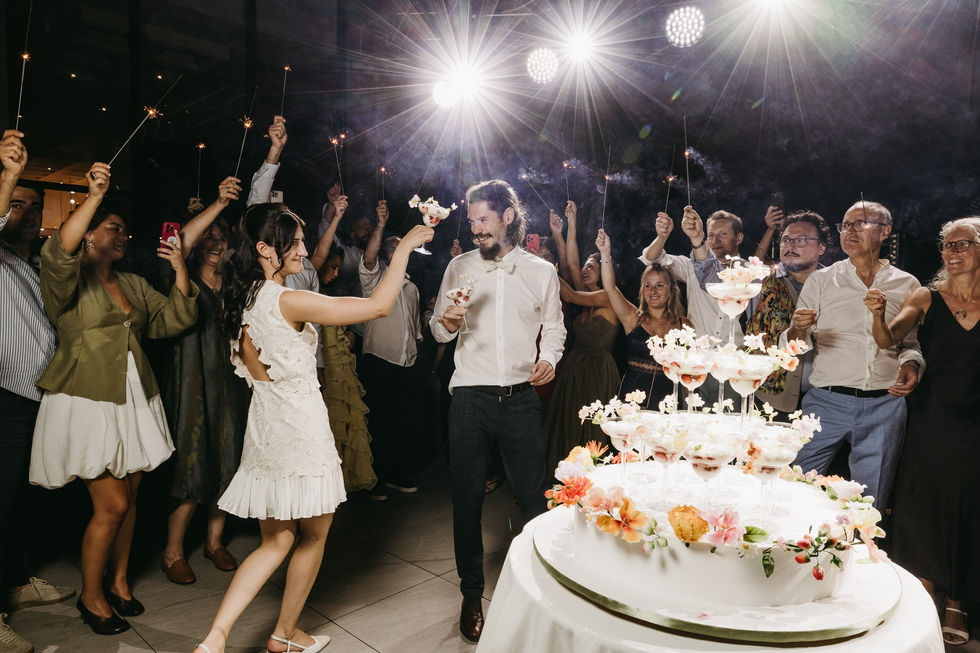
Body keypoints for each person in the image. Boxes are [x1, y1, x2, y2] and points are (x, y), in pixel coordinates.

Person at [192, 203, 431, 653]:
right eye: (295, 243)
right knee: (314, 535)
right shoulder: (288, 300)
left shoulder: (242, 300)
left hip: (264, 431)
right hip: (300, 429)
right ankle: (283, 635)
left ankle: (215, 638)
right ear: (265, 249)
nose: (304, 252)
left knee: (273, 542)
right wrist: (406, 249)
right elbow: (378, 306)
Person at [29, 162, 199, 636]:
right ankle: (91, 596)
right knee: (113, 504)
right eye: (113, 228)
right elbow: (58, 251)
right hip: (86, 397)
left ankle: (120, 581)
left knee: (132, 495)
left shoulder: (134, 283)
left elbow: (175, 319)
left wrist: (180, 268)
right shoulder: (64, 280)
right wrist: (94, 198)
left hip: (134, 398)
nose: (123, 236)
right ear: (87, 235)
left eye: (125, 230)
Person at [430, 179, 565, 643]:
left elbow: (555, 327)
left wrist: (549, 359)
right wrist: (446, 324)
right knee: (467, 500)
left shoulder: (541, 271)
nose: (476, 229)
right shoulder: (459, 267)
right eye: (472, 222)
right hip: (470, 398)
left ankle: (540, 592)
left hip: (521, 399)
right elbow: (439, 330)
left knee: (534, 499)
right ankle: (471, 594)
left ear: (508, 216)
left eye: (483, 219)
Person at [863, 216, 980, 646]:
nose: (952, 253)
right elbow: (888, 339)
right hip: (930, 417)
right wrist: (878, 315)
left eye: (962, 244)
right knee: (923, 503)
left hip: (975, 422)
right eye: (947, 245)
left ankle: (958, 600)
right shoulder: (926, 297)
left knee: (967, 505)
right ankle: (926, 595)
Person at [782, 200, 923, 509]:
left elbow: (910, 344)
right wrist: (796, 329)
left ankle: (859, 541)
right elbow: (793, 345)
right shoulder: (821, 280)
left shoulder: (906, 283)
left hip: (885, 404)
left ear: (885, 231)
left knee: (868, 504)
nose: (850, 231)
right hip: (825, 401)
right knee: (793, 487)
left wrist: (912, 364)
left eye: (861, 224)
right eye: (845, 225)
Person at [0, 130, 74, 652]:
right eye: (15, 203)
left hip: (37, 397)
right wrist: (7, 175)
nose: (24, 213)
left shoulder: (29, 265)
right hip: (4, 397)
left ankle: (16, 582)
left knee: (26, 502)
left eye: (32, 206)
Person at [160, 176, 250, 585]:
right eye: (208, 236)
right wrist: (218, 203)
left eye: (222, 236)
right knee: (192, 462)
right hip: (192, 381)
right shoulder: (180, 277)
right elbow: (179, 242)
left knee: (228, 457)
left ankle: (214, 543)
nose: (216, 242)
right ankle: (173, 552)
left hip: (229, 382)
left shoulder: (232, 283)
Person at [542, 210, 618, 469]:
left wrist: (543, 268)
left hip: (599, 372)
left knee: (593, 428)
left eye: (591, 267)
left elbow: (570, 295)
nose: (584, 270)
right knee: (569, 423)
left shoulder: (608, 296)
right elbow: (570, 265)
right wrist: (567, 226)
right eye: (585, 266)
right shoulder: (586, 294)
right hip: (574, 370)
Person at [359, 199, 424, 498]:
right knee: (380, 423)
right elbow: (369, 257)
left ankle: (397, 474)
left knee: (404, 423)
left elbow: (415, 330)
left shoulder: (412, 287)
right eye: (394, 247)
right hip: (380, 361)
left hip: (407, 364)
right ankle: (375, 481)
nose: (400, 251)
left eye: (403, 247)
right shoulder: (375, 277)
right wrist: (381, 225)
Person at [746, 210, 830, 413]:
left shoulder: (835, 284)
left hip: (827, 399)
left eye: (801, 240)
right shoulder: (759, 279)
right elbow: (709, 275)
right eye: (785, 240)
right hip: (769, 397)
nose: (791, 246)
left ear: (821, 247)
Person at [596, 228, 689, 407]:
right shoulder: (633, 318)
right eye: (648, 285)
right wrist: (605, 253)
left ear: (671, 290)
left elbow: (688, 373)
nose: (653, 291)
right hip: (631, 404)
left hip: (668, 405)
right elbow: (610, 288)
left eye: (659, 285)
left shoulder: (684, 325)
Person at [639, 207, 746, 343]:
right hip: (695, 351)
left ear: (738, 238)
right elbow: (651, 259)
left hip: (735, 350)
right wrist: (661, 237)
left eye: (723, 234)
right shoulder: (690, 266)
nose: (715, 240)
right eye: (711, 235)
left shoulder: (753, 271)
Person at [318, 244, 376, 493]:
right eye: (332, 267)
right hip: (324, 371)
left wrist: (349, 332)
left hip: (340, 367)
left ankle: (341, 484)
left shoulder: (330, 294)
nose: (335, 273)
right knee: (330, 425)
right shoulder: (305, 295)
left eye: (339, 269)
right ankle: (328, 486)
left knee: (346, 424)